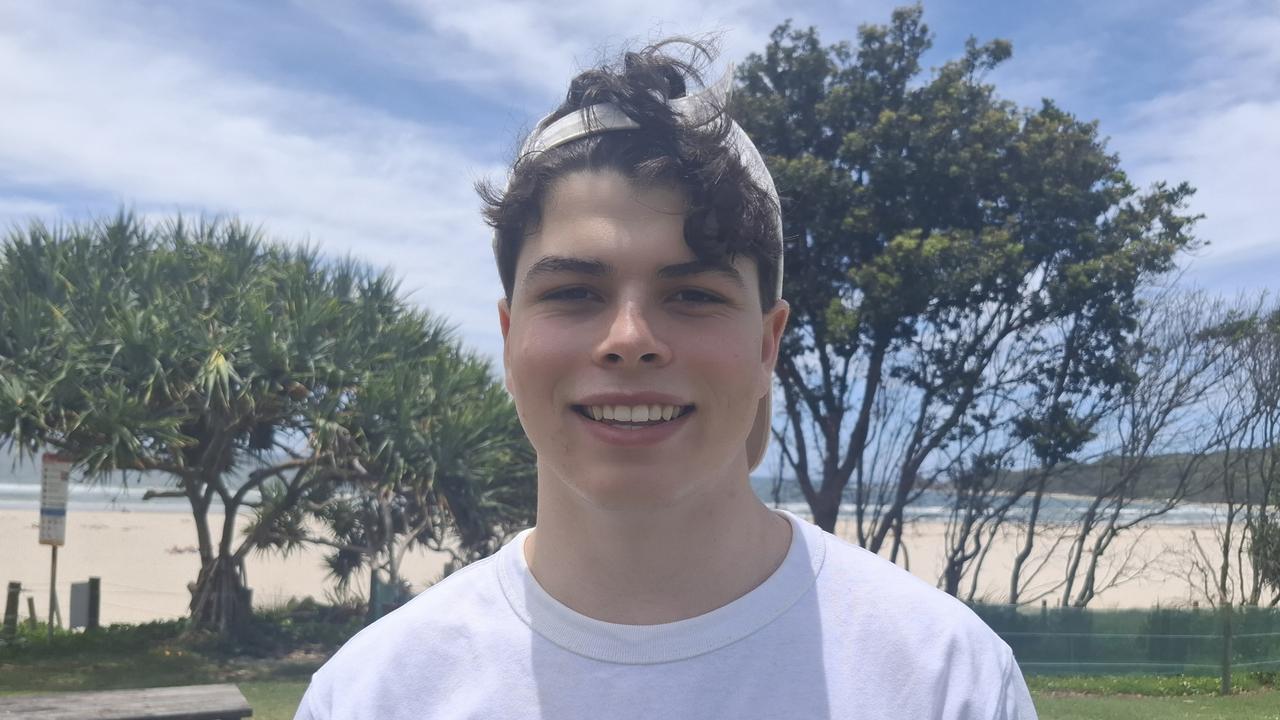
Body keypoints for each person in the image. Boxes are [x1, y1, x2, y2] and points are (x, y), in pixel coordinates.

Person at [295, 38, 1038, 720]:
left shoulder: (944, 679)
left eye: (693, 294)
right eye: (574, 292)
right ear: (510, 336)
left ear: (766, 344)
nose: (629, 341)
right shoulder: (374, 693)